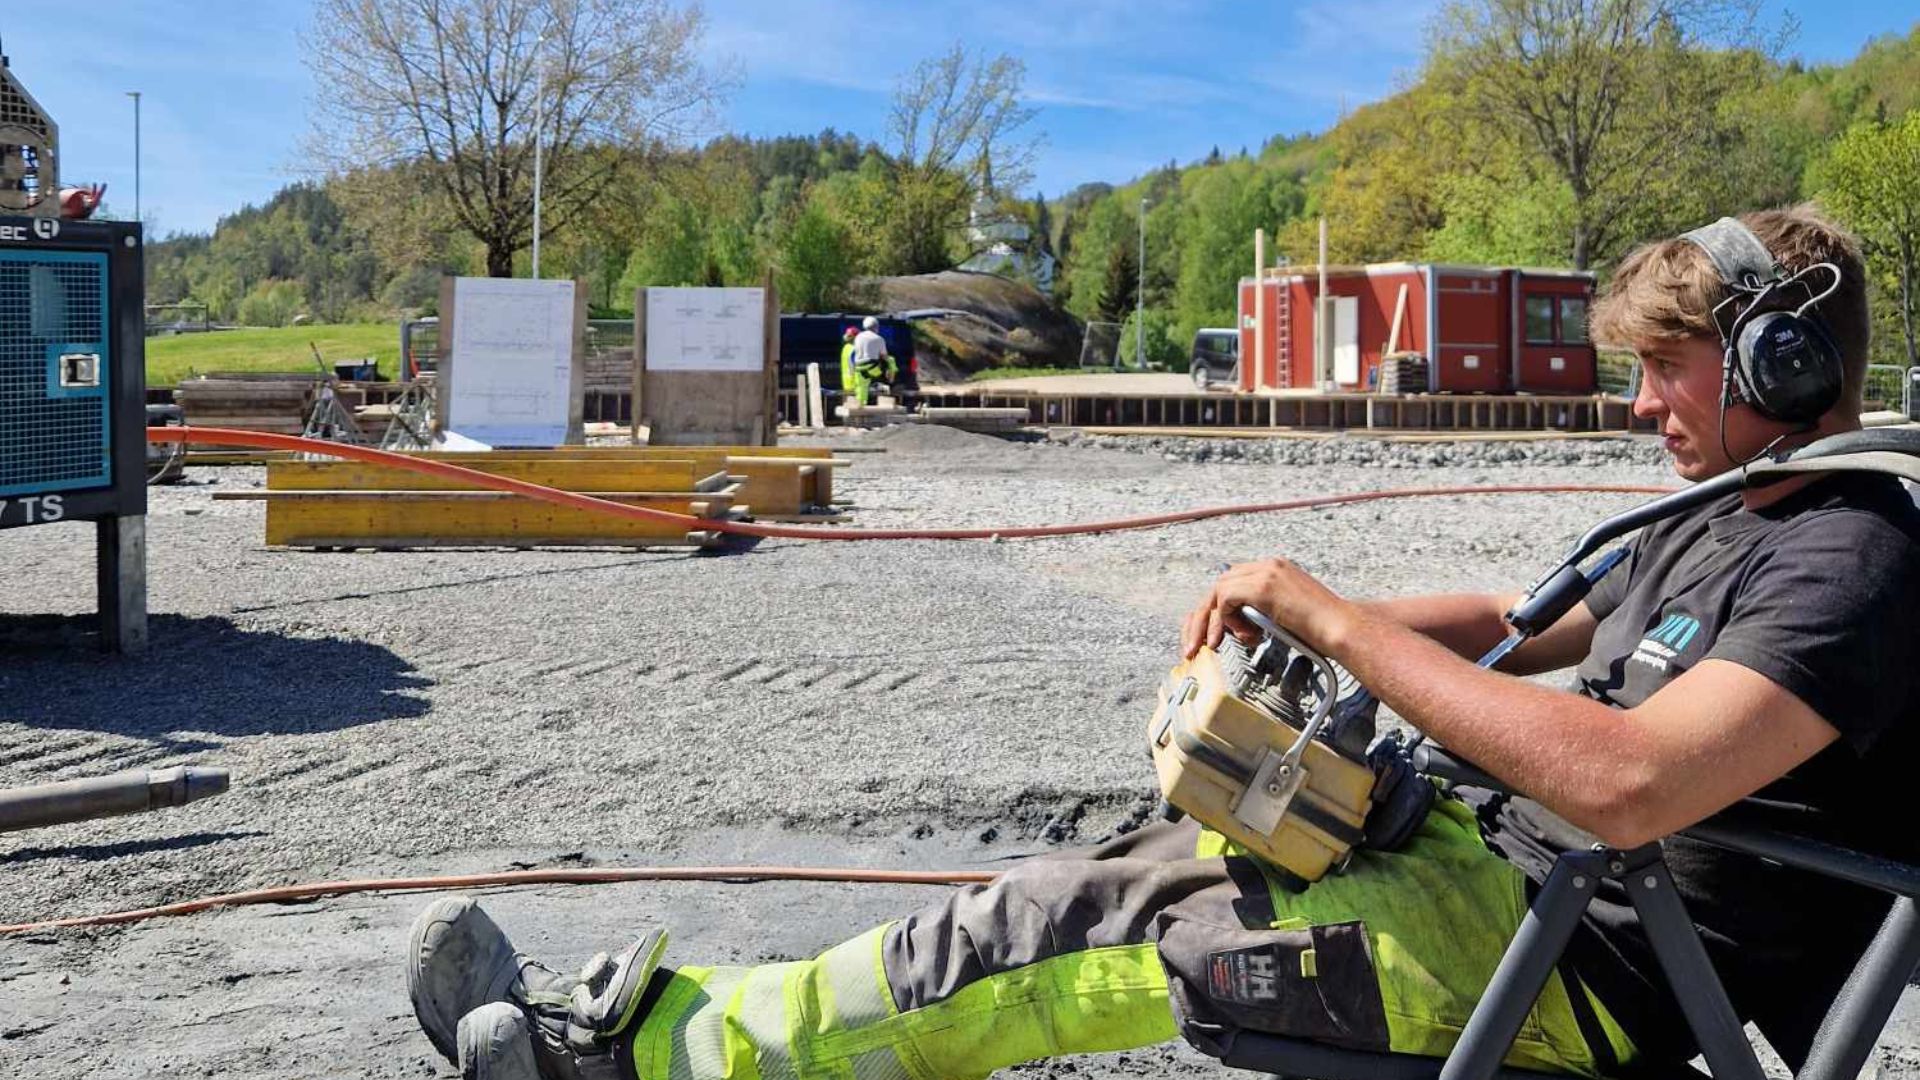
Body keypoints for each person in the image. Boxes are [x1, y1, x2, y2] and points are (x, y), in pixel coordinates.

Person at [407, 205, 1919, 1080]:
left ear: (1777, 360)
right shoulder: (1724, 511)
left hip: (1592, 980)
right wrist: (1305, 621)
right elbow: (1524, 628)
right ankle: (642, 1025)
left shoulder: (1853, 560)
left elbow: (1633, 781)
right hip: (1511, 895)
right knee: (1107, 863)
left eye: (1661, 371)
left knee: (1080, 927)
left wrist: (1330, 605)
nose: (1640, 405)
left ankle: (635, 1060)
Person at [850, 315, 897, 405]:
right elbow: (884, 356)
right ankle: (887, 383)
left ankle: (861, 403)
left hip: (859, 368)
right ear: (876, 327)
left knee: (861, 387)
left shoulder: (858, 337)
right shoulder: (879, 338)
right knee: (891, 360)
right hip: (872, 369)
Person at [838, 326, 860, 408]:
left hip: (846, 383)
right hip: (855, 383)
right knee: (856, 410)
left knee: (847, 408)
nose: (846, 336)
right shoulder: (855, 349)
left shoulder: (846, 348)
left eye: (849, 335)